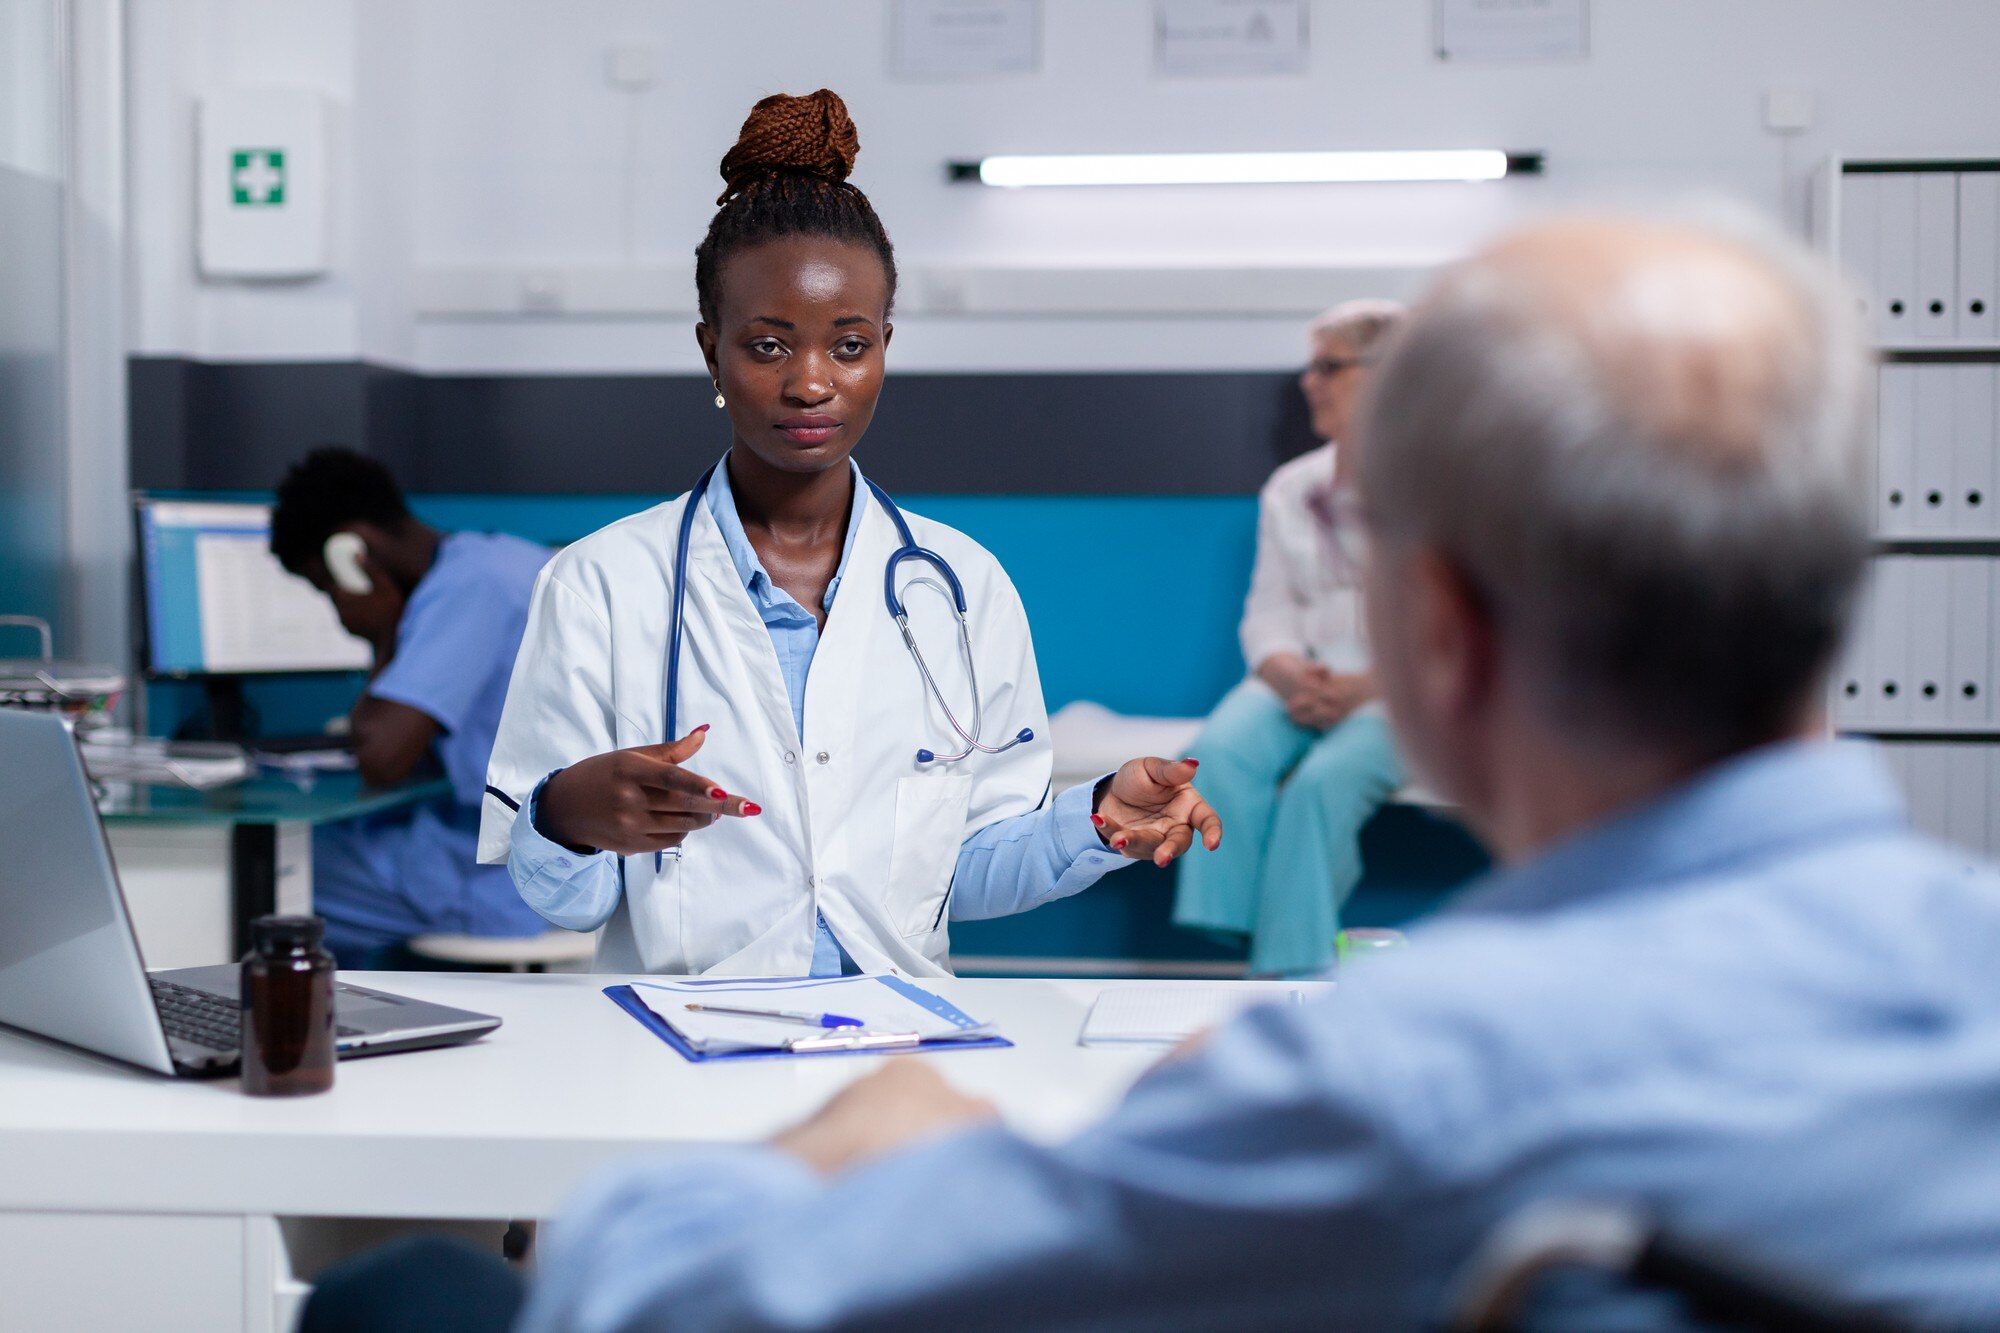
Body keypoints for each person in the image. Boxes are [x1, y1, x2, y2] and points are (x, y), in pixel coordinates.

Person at [477, 90, 1221, 979]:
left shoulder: (959, 585)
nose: (811, 383)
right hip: (677, 1045)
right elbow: (564, 897)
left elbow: (962, 873)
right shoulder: (601, 583)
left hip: (893, 1043)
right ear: (711, 350)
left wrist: (1096, 819)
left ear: (885, 348)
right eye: (767, 346)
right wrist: (563, 815)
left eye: (849, 343)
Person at [1174, 299, 1408, 975]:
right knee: (1216, 752)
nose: (1309, 381)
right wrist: (1282, 672)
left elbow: (1462, 628)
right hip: (1301, 674)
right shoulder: (1292, 486)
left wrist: (1369, 687)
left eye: (1328, 366)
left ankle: (1288, 970)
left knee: (1320, 786)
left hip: (1403, 690)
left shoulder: (1448, 483)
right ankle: (1239, 930)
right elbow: (1267, 609)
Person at [269, 448, 552, 966]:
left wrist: (381, 634)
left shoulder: (468, 592)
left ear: (352, 553)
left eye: (327, 585)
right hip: (547, 852)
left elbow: (382, 760)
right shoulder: (493, 559)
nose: (336, 606)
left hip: (509, 882)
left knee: (266, 875)